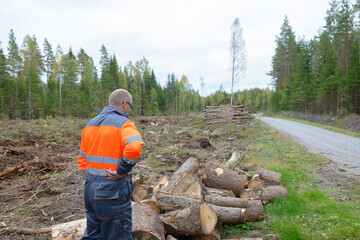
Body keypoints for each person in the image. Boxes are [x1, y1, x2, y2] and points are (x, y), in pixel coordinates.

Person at [78, 89, 144, 240]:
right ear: (125, 103)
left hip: (90, 188)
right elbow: (135, 147)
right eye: (130, 107)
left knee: (93, 234)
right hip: (112, 190)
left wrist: (93, 178)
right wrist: (121, 171)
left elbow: (83, 159)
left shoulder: (90, 125)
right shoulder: (124, 124)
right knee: (117, 235)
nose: (129, 111)